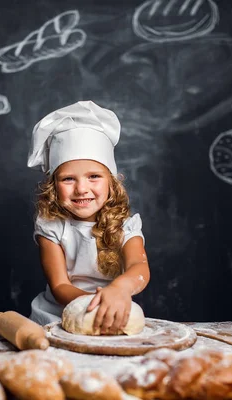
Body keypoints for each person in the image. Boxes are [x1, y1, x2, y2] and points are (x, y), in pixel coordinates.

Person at [26, 100, 150, 335]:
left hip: (114, 308)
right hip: (55, 317)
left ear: (112, 182)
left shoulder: (125, 226)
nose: (82, 189)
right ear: (53, 187)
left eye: (94, 176)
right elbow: (60, 285)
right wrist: (96, 304)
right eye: (68, 179)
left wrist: (118, 291)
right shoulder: (52, 227)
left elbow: (138, 267)